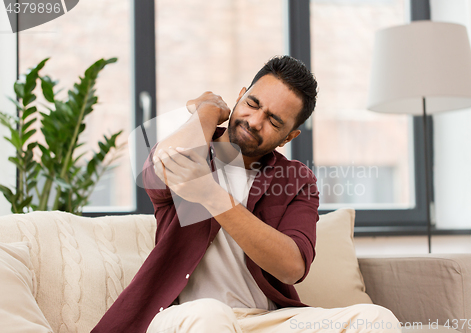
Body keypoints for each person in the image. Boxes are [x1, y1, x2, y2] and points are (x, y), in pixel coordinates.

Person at [92, 55, 401, 333]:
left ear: (288, 137)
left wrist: (212, 196)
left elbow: (292, 268)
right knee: (211, 315)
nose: (255, 121)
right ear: (240, 96)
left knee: (377, 319)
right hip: (186, 318)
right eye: (253, 104)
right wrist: (207, 110)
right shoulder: (199, 151)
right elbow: (161, 171)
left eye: (274, 121)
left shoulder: (296, 179)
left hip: (266, 320)